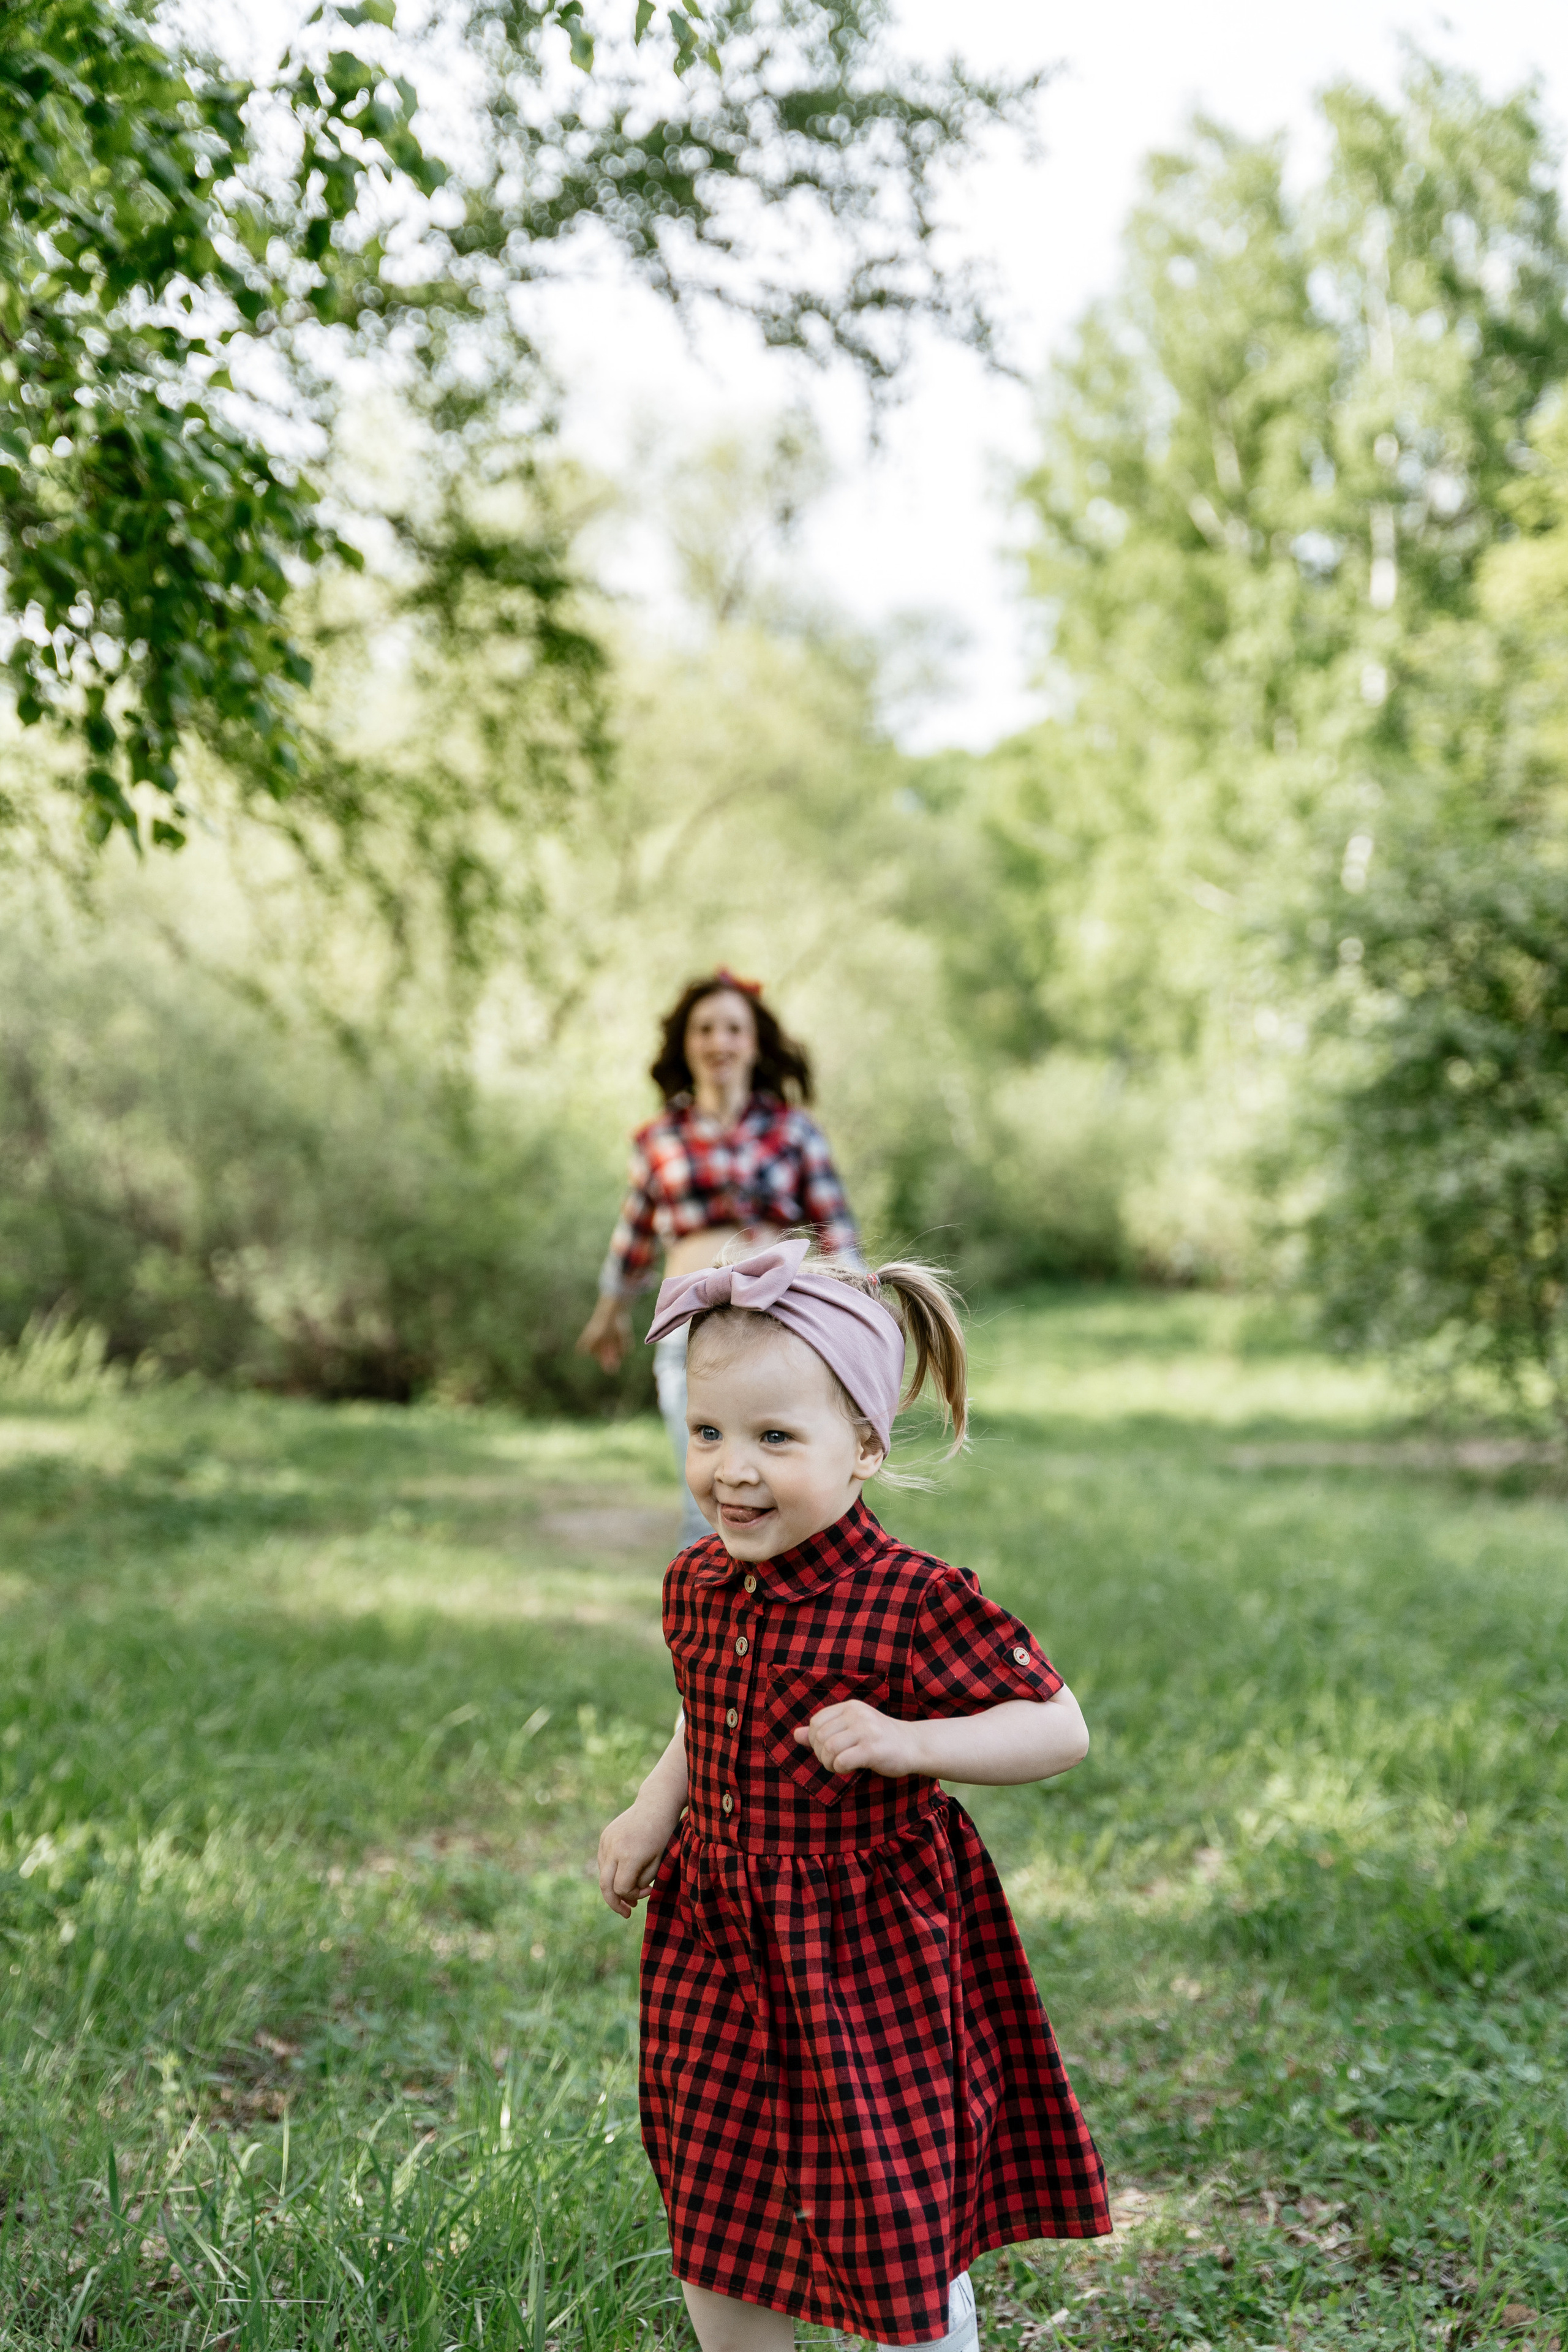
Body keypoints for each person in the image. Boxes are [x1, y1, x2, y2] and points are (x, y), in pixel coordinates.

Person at [596, 1237, 1111, 2352]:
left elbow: (1058, 1727)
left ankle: (930, 2327)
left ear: (865, 1449)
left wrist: (911, 1740)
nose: (733, 1469)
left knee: (878, 2191)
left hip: (861, 1950)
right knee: (717, 2186)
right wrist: (654, 1807)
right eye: (708, 1433)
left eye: (775, 1438)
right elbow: (709, 1706)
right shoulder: (700, 1582)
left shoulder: (911, 1599)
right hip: (719, 1935)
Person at [576, 971, 863, 1547]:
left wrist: (864, 1314)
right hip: (692, 1335)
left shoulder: (796, 1132)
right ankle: (703, 1635)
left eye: (734, 1028)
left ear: (754, 1043)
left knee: (789, 1499)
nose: (719, 1041)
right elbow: (633, 1239)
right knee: (707, 1506)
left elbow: (837, 1233)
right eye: (705, 1029)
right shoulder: (658, 1139)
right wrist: (608, 1314)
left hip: (785, 1330)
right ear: (687, 1044)